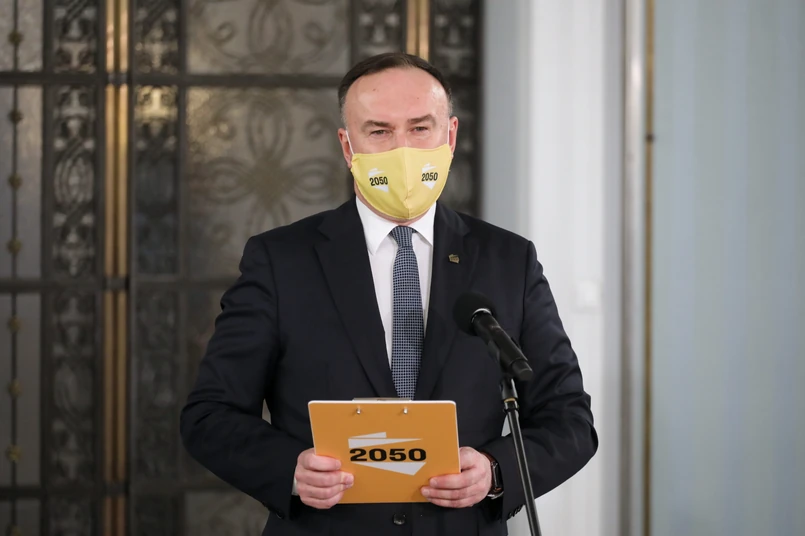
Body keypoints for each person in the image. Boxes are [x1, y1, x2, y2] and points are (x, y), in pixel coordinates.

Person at [180, 52, 597, 536]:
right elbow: (210, 415)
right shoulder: (280, 260)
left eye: (420, 128)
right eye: (379, 131)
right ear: (347, 145)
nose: (403, 149)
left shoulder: (509, 260)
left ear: (450, 135)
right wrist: (288, 469)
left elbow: (569, 419)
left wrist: (495, 471)